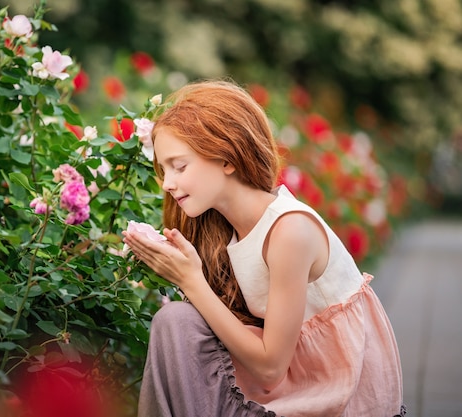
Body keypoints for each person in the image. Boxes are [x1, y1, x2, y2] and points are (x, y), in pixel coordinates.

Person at [122, 79, 405, 417]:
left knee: (177, 321)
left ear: (227, 158)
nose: (168, 184)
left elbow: (271, 368)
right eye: (164, 170)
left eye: (180, 166)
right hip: (287, 384)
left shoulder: (289, 230)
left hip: (331, 401)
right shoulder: (225, 230)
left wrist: (190, 280)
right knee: (176, 321)